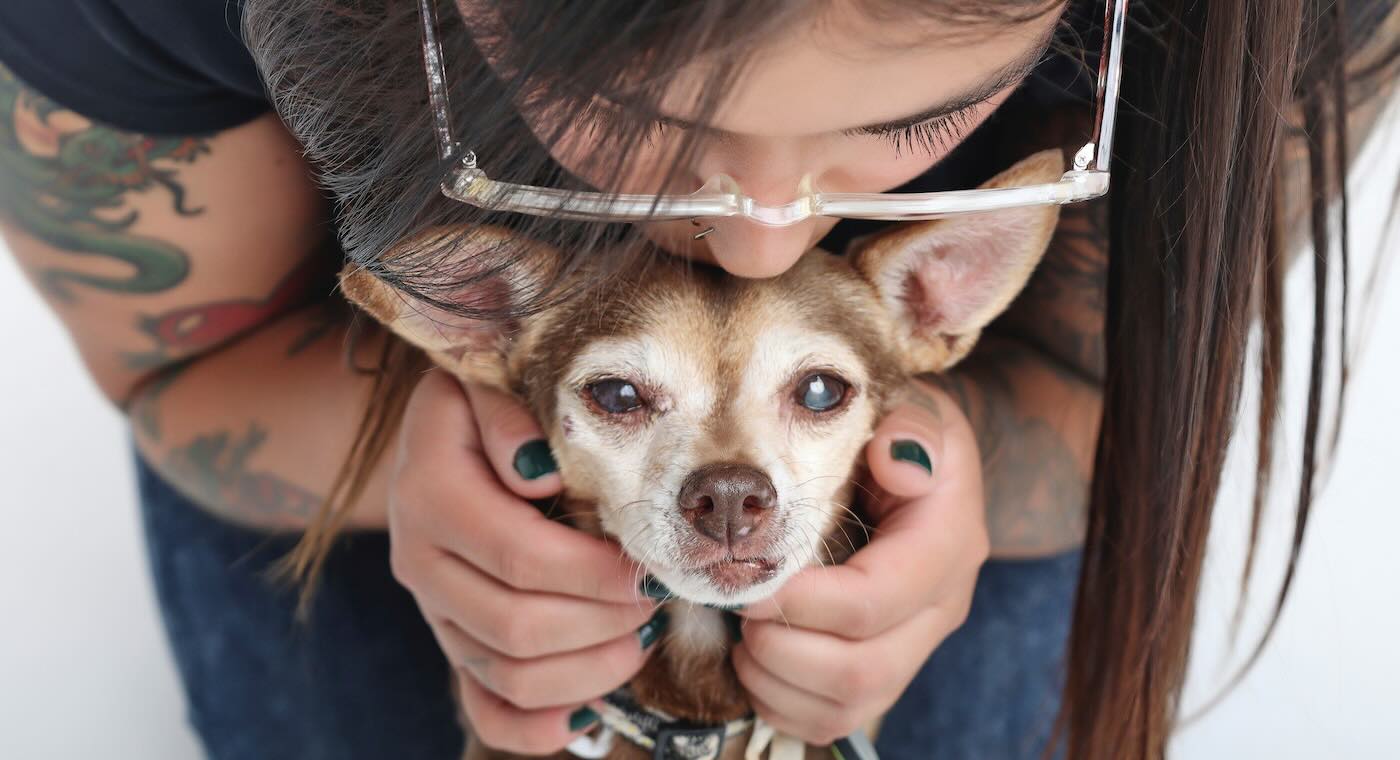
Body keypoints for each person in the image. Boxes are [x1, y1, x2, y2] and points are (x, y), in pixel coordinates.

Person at [0, 1, 1394, 759]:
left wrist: (939, 450)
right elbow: (181, 372)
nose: (764, 240)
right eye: (641, 120)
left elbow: (1111, 392)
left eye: (914, 120)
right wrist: (416, 439)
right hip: (320, 375)